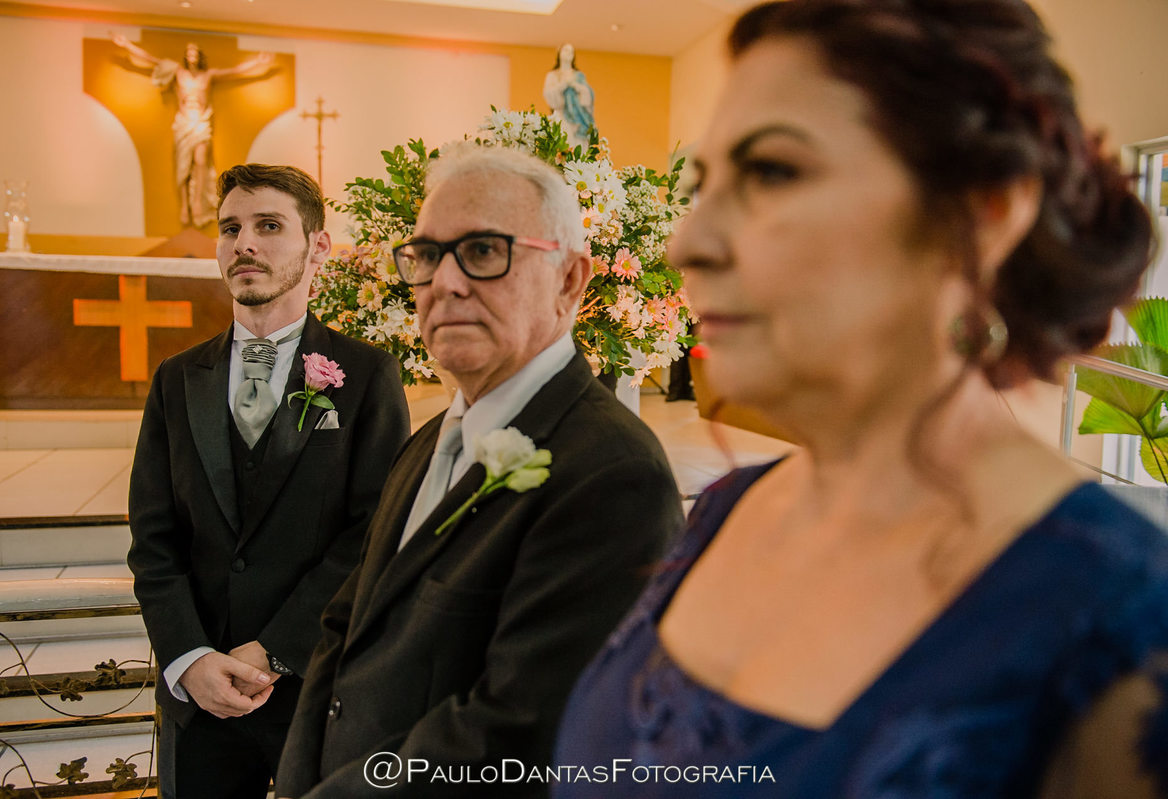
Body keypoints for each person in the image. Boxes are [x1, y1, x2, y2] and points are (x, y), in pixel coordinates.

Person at [554, 1, 1168, 797]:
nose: (686, 244)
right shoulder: (725, 509)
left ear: (980, 213)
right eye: (704, 186)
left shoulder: (1118, 621)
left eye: (771, 171)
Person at [274, 144, 683, 798]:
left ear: (570, 279)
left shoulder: (613, 473)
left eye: (484, 251)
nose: (445, 283)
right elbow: (343, 633)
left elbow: (521, 732)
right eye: (428, 256)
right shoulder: (428, 441)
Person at [128, 163, 409, 798]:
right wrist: (188, 657)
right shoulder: (176, 379)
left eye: (269, 226)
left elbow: (375, 532)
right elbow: (153, 537)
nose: (244, 243)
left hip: (319, 688)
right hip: (200, 696)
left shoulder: (368, 375)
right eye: (230, 228)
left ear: (319, 246)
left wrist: (275, 650)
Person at [112, 34, 274, 227]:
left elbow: (234, 71)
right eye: (189, 52)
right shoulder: (178, 72)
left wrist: (257, 62)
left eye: (195, 52)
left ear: (199, 55)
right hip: (184, 123)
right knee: (183, 166)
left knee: (200, 161)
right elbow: (149, 59)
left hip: (201, 122)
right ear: (186, 56)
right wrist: (127, 44)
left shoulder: (208, 75)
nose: (192, 55)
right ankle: (184, 206)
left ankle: (197, 202)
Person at [543, 43, 595, 149]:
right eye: (566, 50)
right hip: (562, 116)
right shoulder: (552, 75)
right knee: (563, 143)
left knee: (578, 146)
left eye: (571, 51)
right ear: (559, 53)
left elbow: (588, 96)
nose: (569, 53)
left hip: (577, 119)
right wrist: (564, 84)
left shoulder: (578, 76)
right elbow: (549, 95)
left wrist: (576, 86)